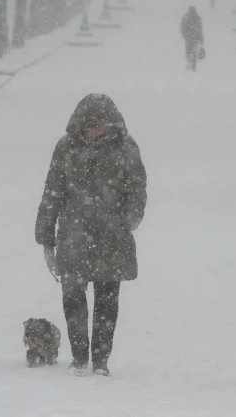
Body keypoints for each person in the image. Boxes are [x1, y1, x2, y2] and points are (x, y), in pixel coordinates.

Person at [35, 93, 148, 376]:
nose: (93, 130)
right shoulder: (66, 148)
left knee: (107, 302)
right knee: (73, 298)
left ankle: (100, 360)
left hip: (113, 238)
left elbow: (137, 189)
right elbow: (52, 191)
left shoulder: (125, 148)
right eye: (88, 125)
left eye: (98, 125)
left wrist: (128, 220)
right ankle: (79, 356)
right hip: (74, 237)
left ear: (109, 124)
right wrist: (46, 235)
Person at [180, 6, 205, 71]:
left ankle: (192, 66)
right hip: (193, 38)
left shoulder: (187, 18)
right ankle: (191, 64)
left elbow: (183, 28)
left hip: (192, 38)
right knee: (192, 53)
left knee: (191, 52)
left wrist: (185, 36)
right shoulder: (192, 18)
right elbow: (200, 30)